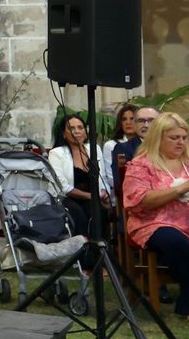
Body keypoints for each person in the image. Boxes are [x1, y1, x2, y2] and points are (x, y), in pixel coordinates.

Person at [121, 111, 189, 320]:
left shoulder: (187, 161)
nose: (181, 142)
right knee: (176, 242)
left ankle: (186, 302)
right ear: (158, 137)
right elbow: (140, 201)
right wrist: (179, 189)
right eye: (174, 138)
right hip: (152, 223)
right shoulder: (142, 164)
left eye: (184, 137)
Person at [47, 113, 112, 239]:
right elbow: (63, 187)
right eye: (71, 128)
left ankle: (101, 246)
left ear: (86, 133)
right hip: (68, 198)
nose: (77, 131)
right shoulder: (56, 153)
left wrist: (104, 193)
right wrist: (91, 196)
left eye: (80, 128)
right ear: (64, 134)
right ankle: (83, 247)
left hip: (93, 198)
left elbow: (103, 178)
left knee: (99, 210)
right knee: (78, 212)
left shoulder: (94, 149)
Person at [104, 103, 140, 194]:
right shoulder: (111, 145)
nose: (128, 122)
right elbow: (111, 177)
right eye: (124, 119)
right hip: (122, 192)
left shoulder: (146, 143)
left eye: (132, 119)